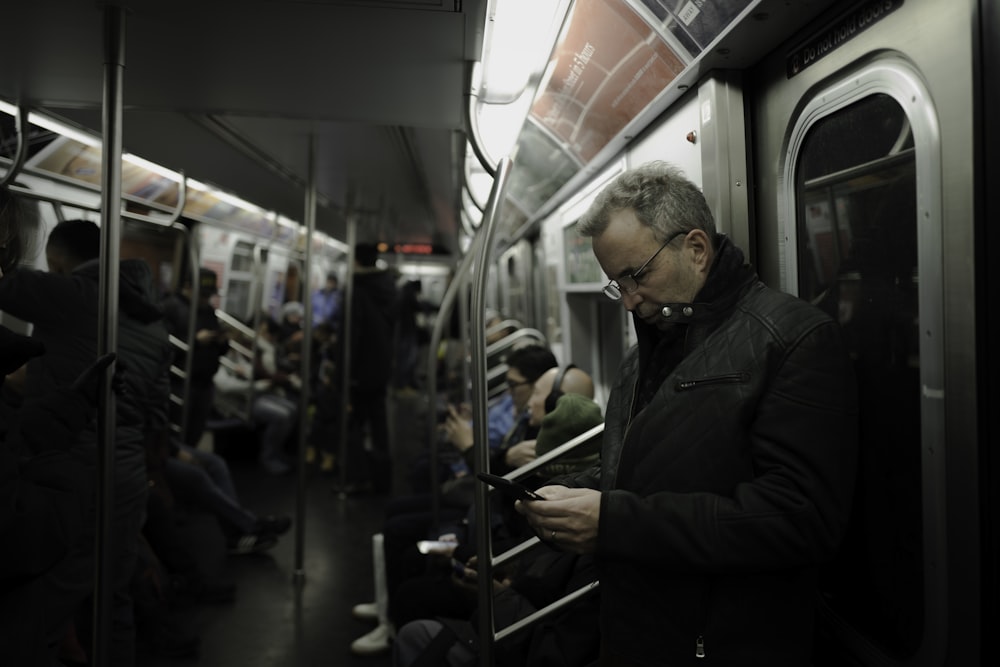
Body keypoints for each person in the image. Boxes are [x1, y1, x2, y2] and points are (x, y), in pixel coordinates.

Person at [515, 161, 859, 666]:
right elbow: (653, 465)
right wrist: (577, 493)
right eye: (617, 284)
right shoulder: (643, 355)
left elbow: (799, 517)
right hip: (639, 626)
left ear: (696, 249)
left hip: (723, 640)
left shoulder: (792, 340)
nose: (629, 301)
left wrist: (613, 523)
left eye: (637, 275)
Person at [0, 217, 174, 667]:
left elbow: (8, 283)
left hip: (77, 465)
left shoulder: (75, 293)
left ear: (59, 264)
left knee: (48, 606)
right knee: (112, 597)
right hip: (129, 472)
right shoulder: (152, 318)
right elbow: (158, 412)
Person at [340, 242, 398, 495]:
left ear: (357, 260)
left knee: (352, 425)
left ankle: (358, 477)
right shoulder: (387, 286)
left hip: (360, 369)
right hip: (381, 364)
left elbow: (353, 333)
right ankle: (382, 478)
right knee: (378, 423)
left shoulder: (357, 289)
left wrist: (346, 372)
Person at [212, 317, 299, 475]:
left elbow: (247, 369)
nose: (236, 338)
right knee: (282, 416)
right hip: (235, 403)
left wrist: (247, 373)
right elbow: (224, 385)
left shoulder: (233, 352)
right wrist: (253, 385)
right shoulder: (218, 353)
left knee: (292, 408)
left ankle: (276, 451)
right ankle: (268, 457)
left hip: (248, 396)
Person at [160, 267, 230, 448]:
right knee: (175, 432)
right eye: (202, 295)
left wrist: (222, 342)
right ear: (188, 287)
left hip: (205, 382)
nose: (206, 300)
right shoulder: (171, 307)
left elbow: (218, 349)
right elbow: (163, 346)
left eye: (208, 296)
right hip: (179, 381)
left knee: (195, 432)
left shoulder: (207, 311)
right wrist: (196, 342)